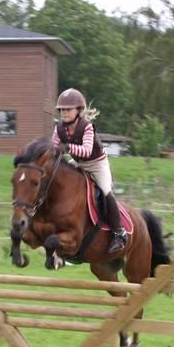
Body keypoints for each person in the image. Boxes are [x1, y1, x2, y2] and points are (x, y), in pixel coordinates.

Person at [51, 88, 127, 253]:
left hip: (97, 164)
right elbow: (53, 148)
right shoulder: (58, 129)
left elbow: (86, 151)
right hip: (79, 163)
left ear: (78, 110)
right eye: (62, 110)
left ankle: (119, 234)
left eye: (68, 109)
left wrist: (66, 147)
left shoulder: (87, 127)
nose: (64, 112)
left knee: (106, 192)